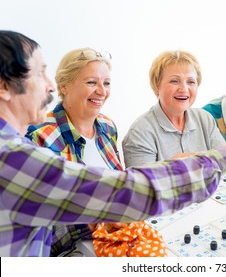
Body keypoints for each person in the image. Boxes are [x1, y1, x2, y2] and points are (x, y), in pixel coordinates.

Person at [0, 30, 226, 257]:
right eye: (39, 74)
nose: (48, 86)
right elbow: (126, 191)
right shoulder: (19, 153)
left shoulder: (106, 127)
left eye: (106, 82)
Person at [26, 48, 166, 257]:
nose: (102, 91)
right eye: (91, 82)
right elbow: (34, 231)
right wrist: (92, 221)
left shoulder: (107, 127)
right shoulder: (39, 137)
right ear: (64, 85)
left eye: (106, 83)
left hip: (115, 239)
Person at [122, 50, 225, 168]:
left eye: (191, 82)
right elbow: (141, 185)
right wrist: (172, 167)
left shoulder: (204, 118)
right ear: (157, 85)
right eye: (174, 81)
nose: (184, 89)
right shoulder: (140, 133)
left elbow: (223, 163)